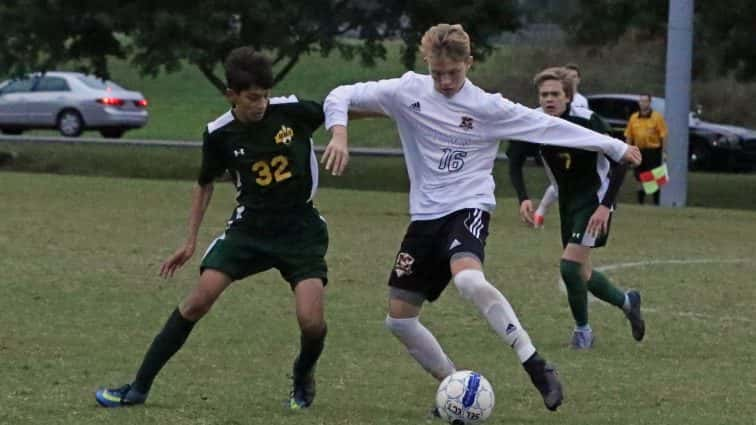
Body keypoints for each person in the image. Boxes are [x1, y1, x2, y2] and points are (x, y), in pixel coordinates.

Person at [320, 24, 641, 413]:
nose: (444, 81)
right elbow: (340, 94)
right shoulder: (407, 90)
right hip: (424, 216)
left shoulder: (488, 107)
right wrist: (339, 133)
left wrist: (614, 145)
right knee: (399, 320)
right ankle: (455, 389)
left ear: (468, 63)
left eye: (453, 73)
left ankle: (536, 365)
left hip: (468, 205)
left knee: (470, 280)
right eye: (437, 72)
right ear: (427, 64)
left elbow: (548, 126)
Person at [95, 47, 330, 410]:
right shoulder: (220, 134)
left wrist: (342, 134)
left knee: (311, 321)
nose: (262, 104)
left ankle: (303, 375)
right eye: (253, 97)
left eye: (266, 95)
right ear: (231, 95)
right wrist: (189, 242)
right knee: (197, 301)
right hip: (249, 229)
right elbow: (204, 184)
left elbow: (344, 106)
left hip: (300, 229)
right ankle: (138, 387)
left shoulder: (292, 111)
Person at [519, 67, 646, 349]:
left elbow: (621, 160)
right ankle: (628, 302)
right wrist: (523, 198)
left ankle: (583, 332)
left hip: (594, 200)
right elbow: (514, 157)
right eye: (544, 95)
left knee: (569, 266)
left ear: (568, 97)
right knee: (581, 272)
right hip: (568, 202)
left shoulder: (588, 121)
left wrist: (605, 206)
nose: (549, 99)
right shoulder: (535, 123)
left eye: (555, 94)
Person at [624, 93, 668, 205]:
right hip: (639, 150)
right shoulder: (633, 118)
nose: (643, 103)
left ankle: (655, 203)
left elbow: (663, 135)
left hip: (653, 151)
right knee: (639, 177)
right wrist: (627, 150)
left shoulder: (657, 117)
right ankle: (640, 203)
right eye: (641, 101)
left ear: (649, 102)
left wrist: (664, 152)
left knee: (654, 177)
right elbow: (629, 135)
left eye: (645, 101)